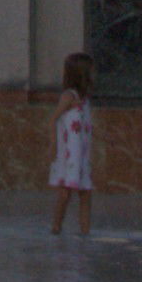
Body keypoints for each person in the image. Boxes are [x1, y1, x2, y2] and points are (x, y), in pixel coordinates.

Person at [48, 55, 95, 239]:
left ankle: (85, 233)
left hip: (81, 156)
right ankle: (55, 228)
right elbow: (53, 120)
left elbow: (85, 126)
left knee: (85, 193)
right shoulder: (69, 97)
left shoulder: (84, 100)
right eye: (91, 70)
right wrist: (53, 145)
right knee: (65, 193)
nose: (94, 73)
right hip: (69, 155)